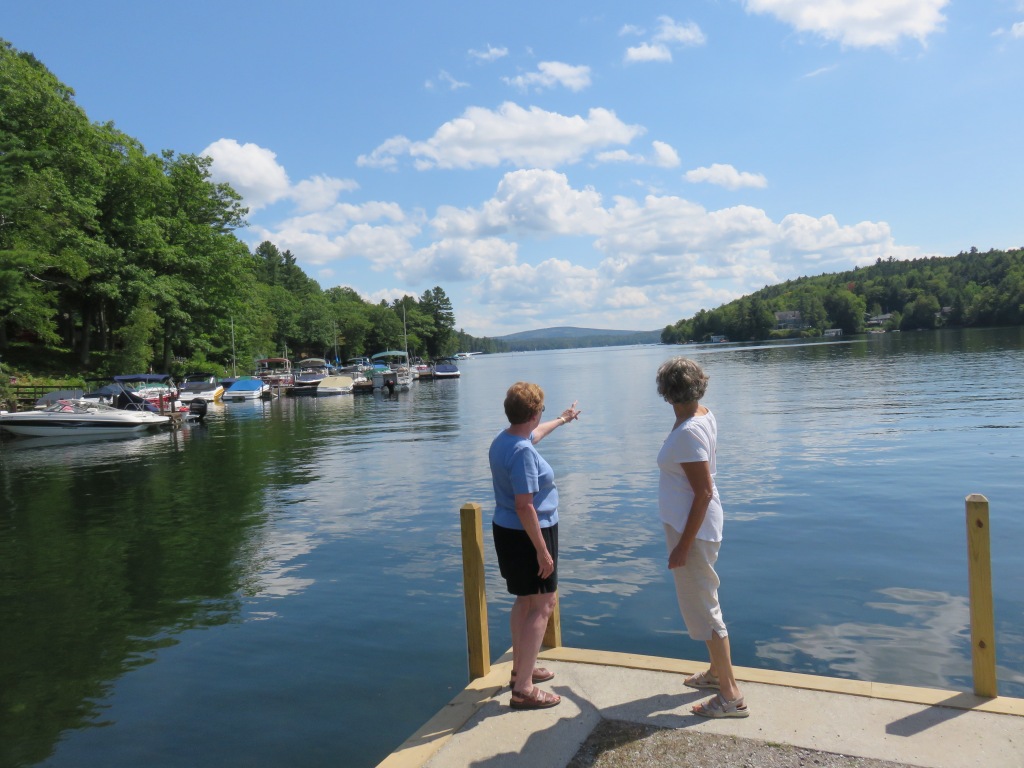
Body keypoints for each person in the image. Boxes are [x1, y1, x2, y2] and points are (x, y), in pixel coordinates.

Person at [655, 357, 749, 718]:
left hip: (692, 532)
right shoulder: (701, 415)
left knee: (705, 609)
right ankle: (715, 674)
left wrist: (682, 545)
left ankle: (730, 695)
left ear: (667, 393)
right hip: (692, 527)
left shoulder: (689, 432)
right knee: (701, 602)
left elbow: (704, 492)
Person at [489, 382, 581, 710]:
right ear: (533, 411)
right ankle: (524, 689)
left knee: (525, 601)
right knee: (544, 603)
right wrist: (542, 550)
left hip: (507, 532)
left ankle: (520, 671)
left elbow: (535, 433)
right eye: (541, 410)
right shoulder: (523, 452)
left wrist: (563, 419)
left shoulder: (506, 440)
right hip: (530, 534)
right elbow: (525, 504)